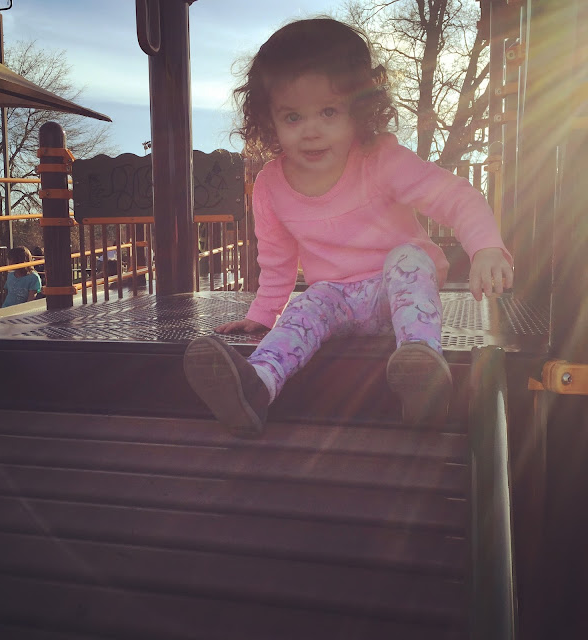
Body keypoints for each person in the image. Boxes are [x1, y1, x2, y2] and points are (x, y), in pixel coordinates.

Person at [183, 18, 513, 437]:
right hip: (335, 298)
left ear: (359, 110)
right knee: (306, 304)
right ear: (269, 120)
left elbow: (454, 197)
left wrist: (485, 246)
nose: (311, 131)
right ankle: (256, 387)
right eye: (292, 116)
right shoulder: (270, 185)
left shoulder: (380, 160)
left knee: (408, 258)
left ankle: (421, 367)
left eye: (328, 111)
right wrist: (262, 315)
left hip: (397, 294)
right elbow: (277, 258)